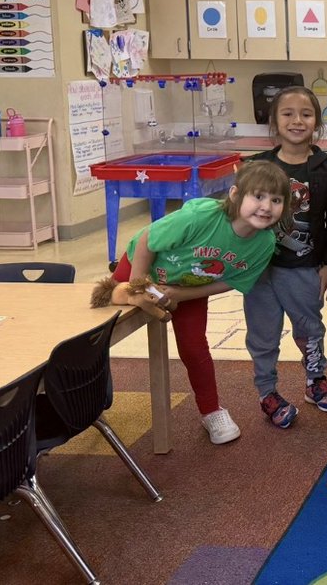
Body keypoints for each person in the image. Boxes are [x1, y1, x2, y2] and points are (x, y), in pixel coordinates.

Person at [109, 161, 289, 444]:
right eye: (258, 196)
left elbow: (232, 281)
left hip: (187, 287)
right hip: (143, 267)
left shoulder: (264, 243)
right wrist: (138, 286)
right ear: (234, 195)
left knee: (194, 349)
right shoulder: (203, 216)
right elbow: (147, 240)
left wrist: (178, 295)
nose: (266, 206)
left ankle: (211, 410)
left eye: (276, 200)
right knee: (105, 322)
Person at [244, 87, 327, 428]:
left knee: (310, 327)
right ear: (273, 121)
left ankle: (315, 380)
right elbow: (237, 219)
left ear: (317, 123)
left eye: (306, 113)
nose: (297, 120)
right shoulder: (256, 167)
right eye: (287, 113)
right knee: (262, 333)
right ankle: (267, 392)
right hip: (258, 271)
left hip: (303, 266)